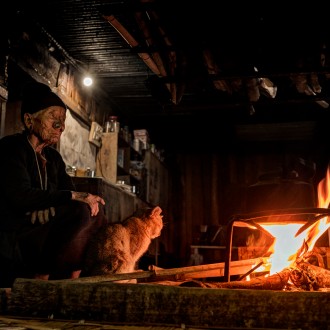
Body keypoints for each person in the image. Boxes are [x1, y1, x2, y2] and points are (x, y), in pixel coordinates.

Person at [0, 81, 108, 287]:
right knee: (78, 209)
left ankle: (72, 280)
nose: (61, 126)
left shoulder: (54, 158)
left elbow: (68, 194)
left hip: (41, 227)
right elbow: (21, 197)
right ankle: (39, 278)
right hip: (16, 232)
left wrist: (51, 203)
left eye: (63, 120)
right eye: (53, 118)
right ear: (29, 120)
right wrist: (63, 198)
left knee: (93, 211)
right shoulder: (12, 148)